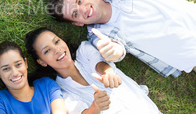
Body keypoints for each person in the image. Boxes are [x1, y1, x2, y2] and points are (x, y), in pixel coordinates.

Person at [48, 0, 196, 77]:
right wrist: (113, 51)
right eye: (75, 14)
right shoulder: (98, 36)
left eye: (79, 1)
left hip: (189, 14)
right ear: (78, 23)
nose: (83, 9)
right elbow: (117, 52)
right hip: (187, 51)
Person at [26, 27, 161, 113]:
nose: (57, 50)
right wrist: (95, 107)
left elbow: (99, 63)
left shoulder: (83, 51)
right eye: (47, 50)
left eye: (56, 42)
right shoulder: (60, 91)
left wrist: (108, 73)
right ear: (42, 61)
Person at [0, 41, 67, 113]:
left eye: (18, 64)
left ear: (25, 63)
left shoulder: (47, 85)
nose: (15, 73)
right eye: (6, 69)